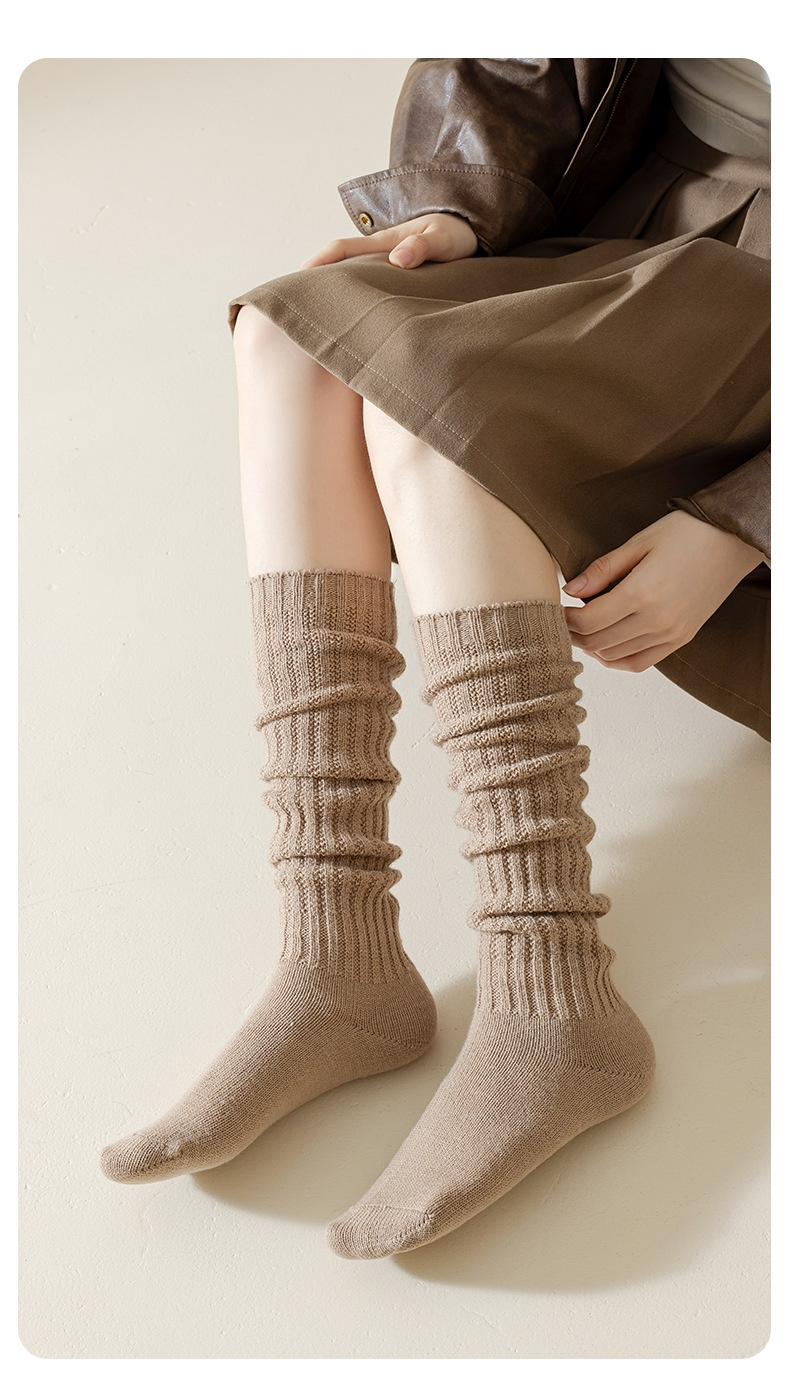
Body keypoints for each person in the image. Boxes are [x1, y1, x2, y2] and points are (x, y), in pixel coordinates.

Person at [100, 59, 770, 1259]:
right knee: (289, 336)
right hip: (639, 227)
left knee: (440, 404)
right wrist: (458, 206)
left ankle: (549, 978)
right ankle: (335, 944)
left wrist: (745, 520)